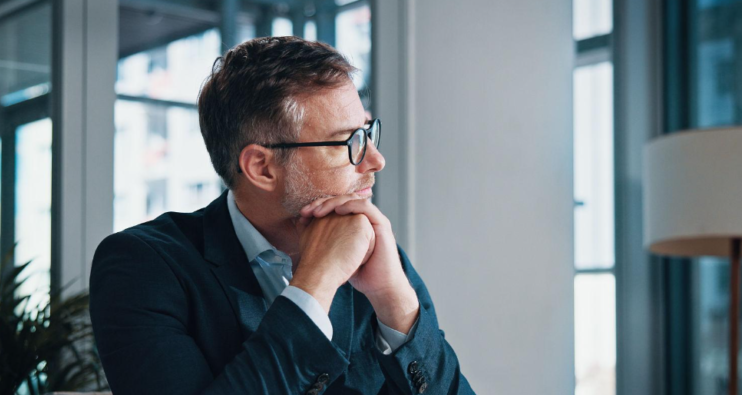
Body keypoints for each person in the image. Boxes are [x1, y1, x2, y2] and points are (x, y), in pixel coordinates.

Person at [90, 36, 474, 395]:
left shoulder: (377, 257)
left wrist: (393, 299)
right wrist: (316, 283)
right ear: (262, 167)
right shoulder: (141, 266)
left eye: (368, 132)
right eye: (349, 142)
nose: (376, 159)